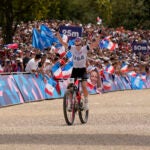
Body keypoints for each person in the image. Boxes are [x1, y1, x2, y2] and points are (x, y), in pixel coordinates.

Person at [56, 32, 95, 111]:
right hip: (75, 70)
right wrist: (57, 33)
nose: (77, 45)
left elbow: (95, 44)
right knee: (70, 86)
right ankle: (71, 103)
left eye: (79, 43)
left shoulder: (85, 48)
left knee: (84, 86)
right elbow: (62, 42)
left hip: (83, 70)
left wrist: (99, 36)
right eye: (76, 43)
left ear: (81, 44)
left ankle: (86, 102)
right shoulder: (72, 48)